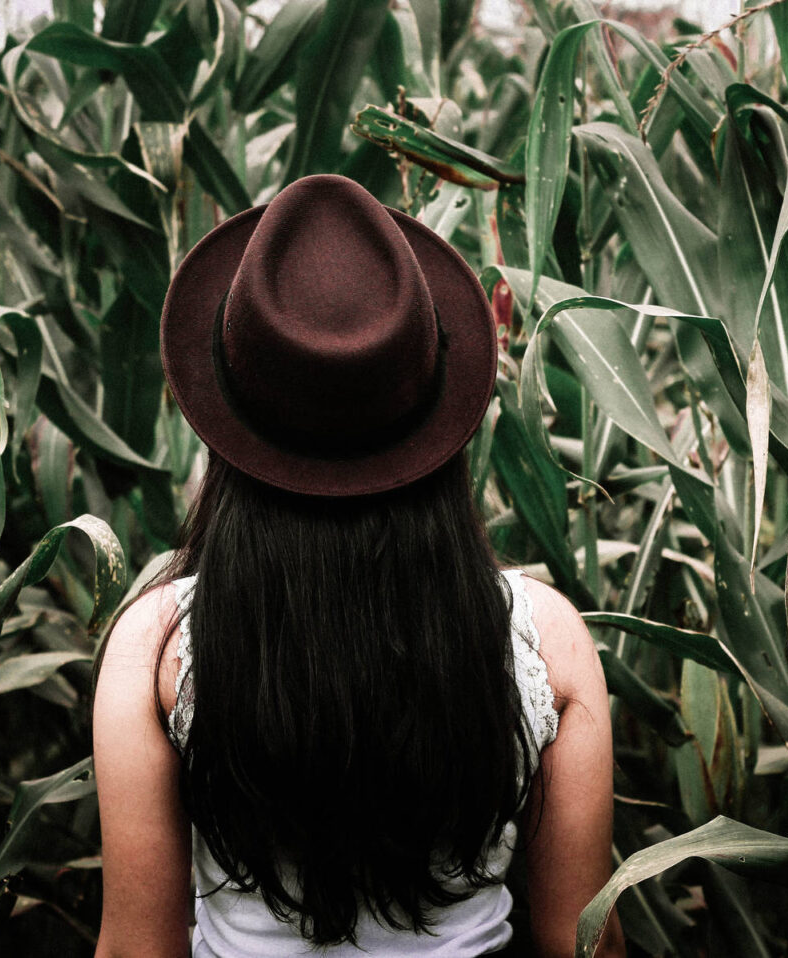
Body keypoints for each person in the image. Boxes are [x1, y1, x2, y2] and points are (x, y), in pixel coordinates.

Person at [91, 174, 624, 958]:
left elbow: (139, 950)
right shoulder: (549, 643)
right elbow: (581, 946)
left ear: (232, 430)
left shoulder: (156, 649)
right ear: (438, 424)